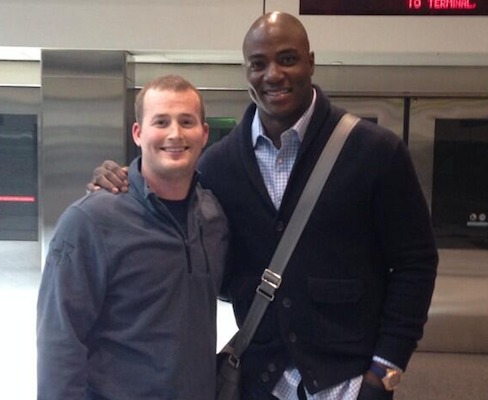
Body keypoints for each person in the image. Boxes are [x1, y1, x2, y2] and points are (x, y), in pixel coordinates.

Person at [89, 12, 438, 400]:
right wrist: (123, 177)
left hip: (349, 380)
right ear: (246, 72)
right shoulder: (217, 165)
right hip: (260, 380)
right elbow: (166, 202)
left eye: (287, 59)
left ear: (311, 62)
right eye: (258, 64)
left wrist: (385, 368)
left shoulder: (374, 151)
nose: (273, 74)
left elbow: (415, 262)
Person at [37, 74, 229, 400]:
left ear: (204, 133)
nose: (175, 133)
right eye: (161, 121)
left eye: (186, 121)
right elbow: (60, 340)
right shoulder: (90, 221)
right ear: (138, 133)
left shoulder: (213, 218)